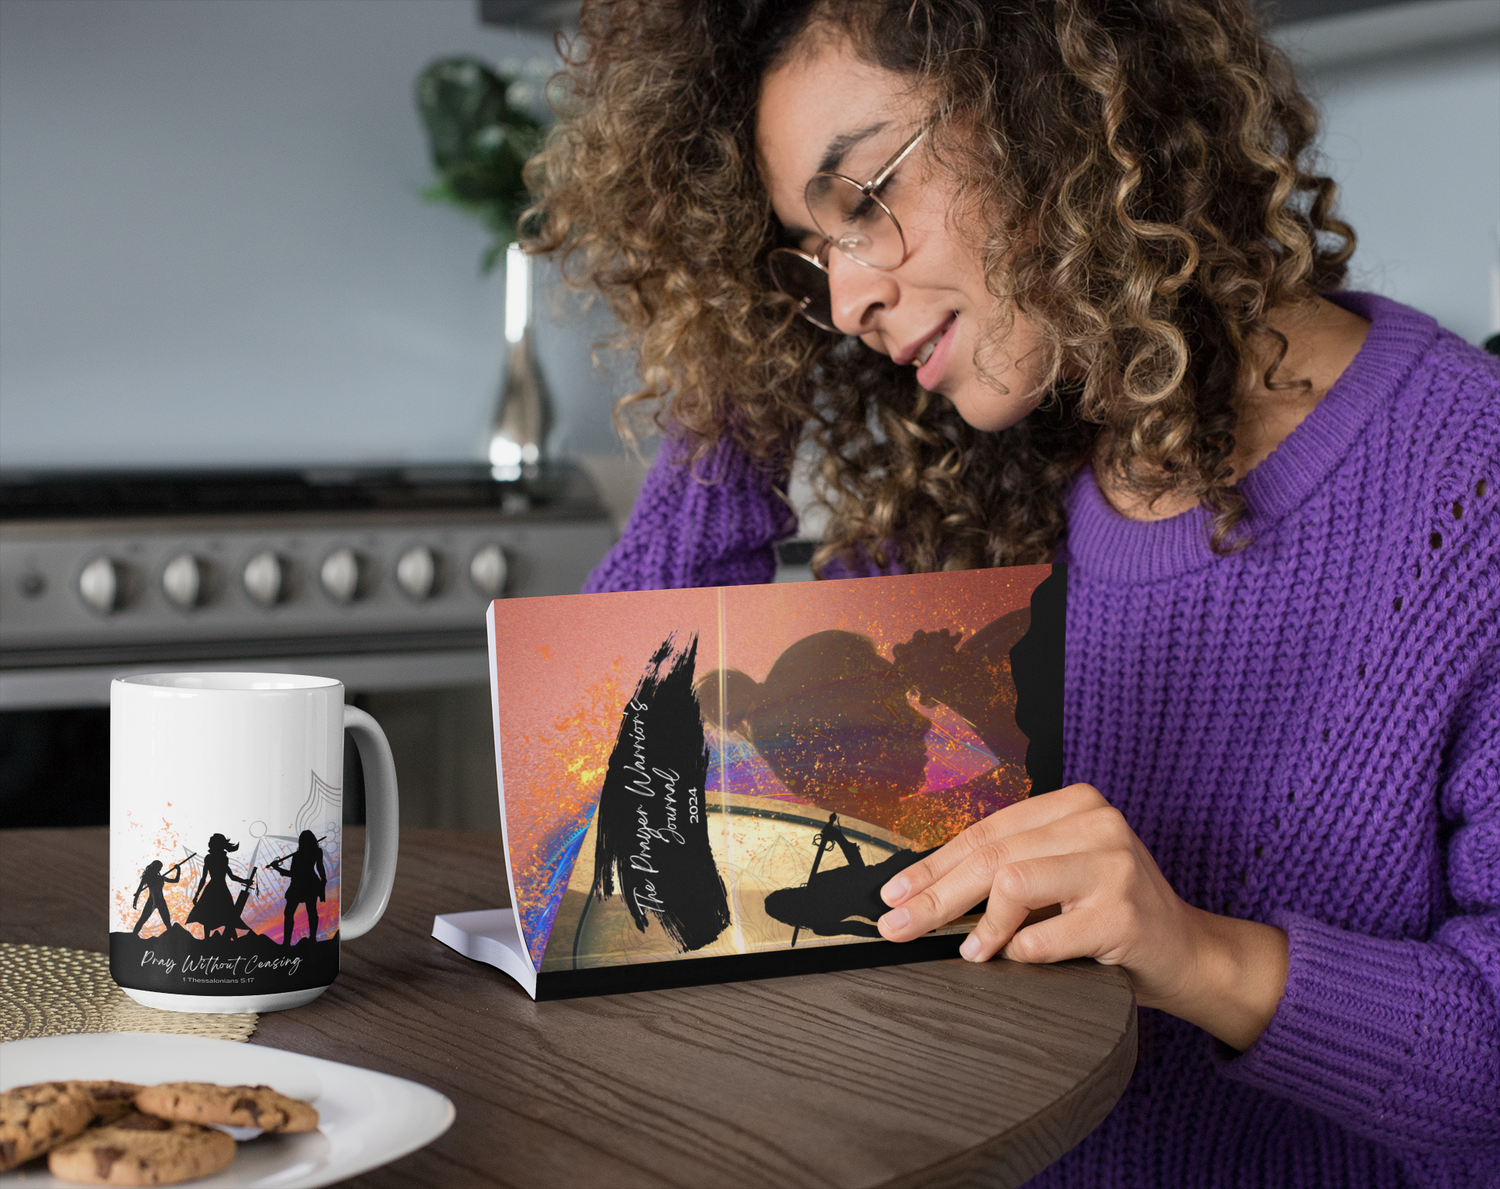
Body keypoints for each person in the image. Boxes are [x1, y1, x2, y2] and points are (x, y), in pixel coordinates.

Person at [527, 1, 1499, 1185]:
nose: (843, 303)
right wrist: (736, 381)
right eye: (807, 253)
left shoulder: (1470, 489)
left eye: (862, 202)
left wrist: (1198, 953)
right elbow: (601, 846)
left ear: (1054, 105)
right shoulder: (964, 508)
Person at [186, 833, 253, 940]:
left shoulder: (217, 858)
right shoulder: (213, 858)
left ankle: (231, 940)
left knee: (226, 914)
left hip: (216, 889)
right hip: (218, 889)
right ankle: (209, 939)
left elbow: (230, 876)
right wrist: (197, 894)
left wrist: (244, 881)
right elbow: (205, 878)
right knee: (213, 914)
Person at [268, 830, 327, 947]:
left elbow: (293, 874)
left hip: (300, 885)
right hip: (312, 883)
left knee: (289, 912)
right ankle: (312, 939)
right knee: (311, 911)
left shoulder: (297, 855)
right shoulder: (317, 851)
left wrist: (277, 868)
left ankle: (287, 943)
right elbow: (320, 868)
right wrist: (323, 882)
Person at [129, 858, 183, 937]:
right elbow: (139, 889)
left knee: (167, 923)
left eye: (160, 868)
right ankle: (132, 937)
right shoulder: (147, 877)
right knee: (142, 919)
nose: (159, 869)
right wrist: (135, 900)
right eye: (158, 867)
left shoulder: (160, 878)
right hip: (151, 901)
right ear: (154, 867)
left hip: (161, 901)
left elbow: (175, 880)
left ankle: (172, 941)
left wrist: (178, 870)